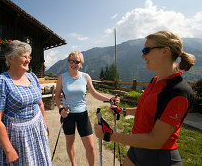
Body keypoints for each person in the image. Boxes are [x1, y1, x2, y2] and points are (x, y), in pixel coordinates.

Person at [94, 30, 196, 166]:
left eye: (146, 50)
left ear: (165, 51)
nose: (143, 56)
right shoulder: (155, 80)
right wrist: (123, 110)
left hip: (158, 157)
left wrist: (110, 135)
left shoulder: (179, 92)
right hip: (137, 147)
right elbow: (146, 109)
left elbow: (155, 140)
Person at [0, 40, 51, 166]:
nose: (28, 60)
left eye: (29, 57)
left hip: (37, 131)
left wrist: (45, 124)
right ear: (11, 58)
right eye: (24, 57)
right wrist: (9, 150)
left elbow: (40, 104)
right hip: (16, 138)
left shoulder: (32, 77)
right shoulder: (0, 81)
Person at [55, 51, 118, 166]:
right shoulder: (62, 77)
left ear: (81, 63)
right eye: (71, 61)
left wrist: (109, 99)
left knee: (90, 146)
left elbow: (94, 93)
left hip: (82, 115)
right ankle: (73, 164)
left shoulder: (85, 77)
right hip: (67, 115)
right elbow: (57, 97)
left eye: (77, 62)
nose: (74, 64)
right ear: (68, 62)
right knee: (70, 143)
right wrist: (60, 109)